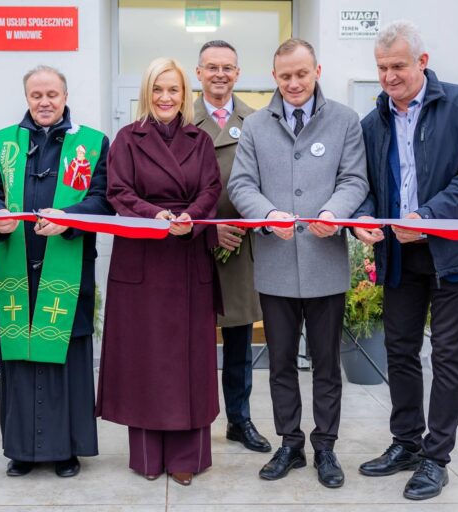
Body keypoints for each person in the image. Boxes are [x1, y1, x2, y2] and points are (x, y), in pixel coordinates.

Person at [352, 20, 458, 500]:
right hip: (400, 254)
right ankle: (406, 442)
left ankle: (437, 457)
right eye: (381, 68)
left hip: (455, 253)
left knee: (448, 356)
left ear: (422, 61)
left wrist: (429, 215)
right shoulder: (372, 121)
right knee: (399, 351)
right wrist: (362, 217)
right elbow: (366, 185)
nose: (389, 76)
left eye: (398, 65)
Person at [228, 38, 368, 487]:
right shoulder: (254, 126)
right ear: (274, 77)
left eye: (301, 74)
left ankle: (325, 446)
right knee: (281, 362)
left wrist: (335, 213)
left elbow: (354, 178)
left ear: (317, 71)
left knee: (327, 364)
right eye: (285, 75)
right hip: (274, 264)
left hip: (325, 261)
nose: (293, 83)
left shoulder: (345, 120)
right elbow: (242, 184)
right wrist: (267, 215)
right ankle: (291, 443)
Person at [0, 65, 111, 479]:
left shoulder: (91, 143)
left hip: (67, 268)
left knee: (65, 360)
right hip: (18, 269)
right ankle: (22, 450)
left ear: (65, 96)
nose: (44, 102)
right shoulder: (4, 143)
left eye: (52, 94)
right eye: (36, 95)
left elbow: (104, 199)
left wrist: (70, 218)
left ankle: (67, 449)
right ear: (27, 98)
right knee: (20, 360)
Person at [96, 57, 222, 487]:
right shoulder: (127, 139)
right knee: (146, 361)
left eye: (174, 90)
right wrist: (158, 215)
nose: (166, 98)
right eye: (158, 89)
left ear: (185, 95)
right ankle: (148, 456)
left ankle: (188, 457)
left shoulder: (200, 139)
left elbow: (211, 188)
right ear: (146, 93)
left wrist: (187, 218)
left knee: (189, 361)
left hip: (187, 257)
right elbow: (118, 191)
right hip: (143, 260)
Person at [193, 40, 270, 453]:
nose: (219, 74)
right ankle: (194, 419)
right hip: (192, 245)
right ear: (198, 73)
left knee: (240, 341)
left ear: (238, 74)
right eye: (211, 67)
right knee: (194, 341)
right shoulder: (182, 120)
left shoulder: (257, 121)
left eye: (227, 67)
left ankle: (239, 420)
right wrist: (207, 228)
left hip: (240, 246)